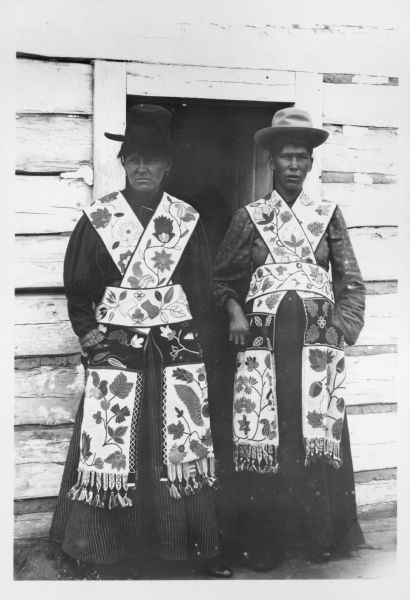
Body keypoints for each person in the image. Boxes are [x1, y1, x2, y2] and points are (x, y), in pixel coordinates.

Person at [50, 104, 232, 579]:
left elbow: (200, 288)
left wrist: (193, 345)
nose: (143, 167)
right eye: (134, 159)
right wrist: (93, 341)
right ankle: (104, 552)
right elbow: (79, 288)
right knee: (111, 445)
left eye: (153, 159)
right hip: (118, 354)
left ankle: (187, 550)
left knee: (179, 445)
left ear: (168, 165)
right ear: (123, 163)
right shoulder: (100, 218)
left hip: (174, 352)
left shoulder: (185, 220)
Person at [213, 107, 366, 570]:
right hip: (265, 347)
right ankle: (265, 543)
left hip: (316, 347)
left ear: (311, 163)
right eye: (286, 158)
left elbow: (350, 282)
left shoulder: (327, 216)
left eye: (302, 157)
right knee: (267, 438)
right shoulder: (250, 217)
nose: (294, 165)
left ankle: (320, 535)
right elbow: (221, 279)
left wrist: (343, 328)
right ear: (272, 163)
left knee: (312, 435)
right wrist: (235, 311)